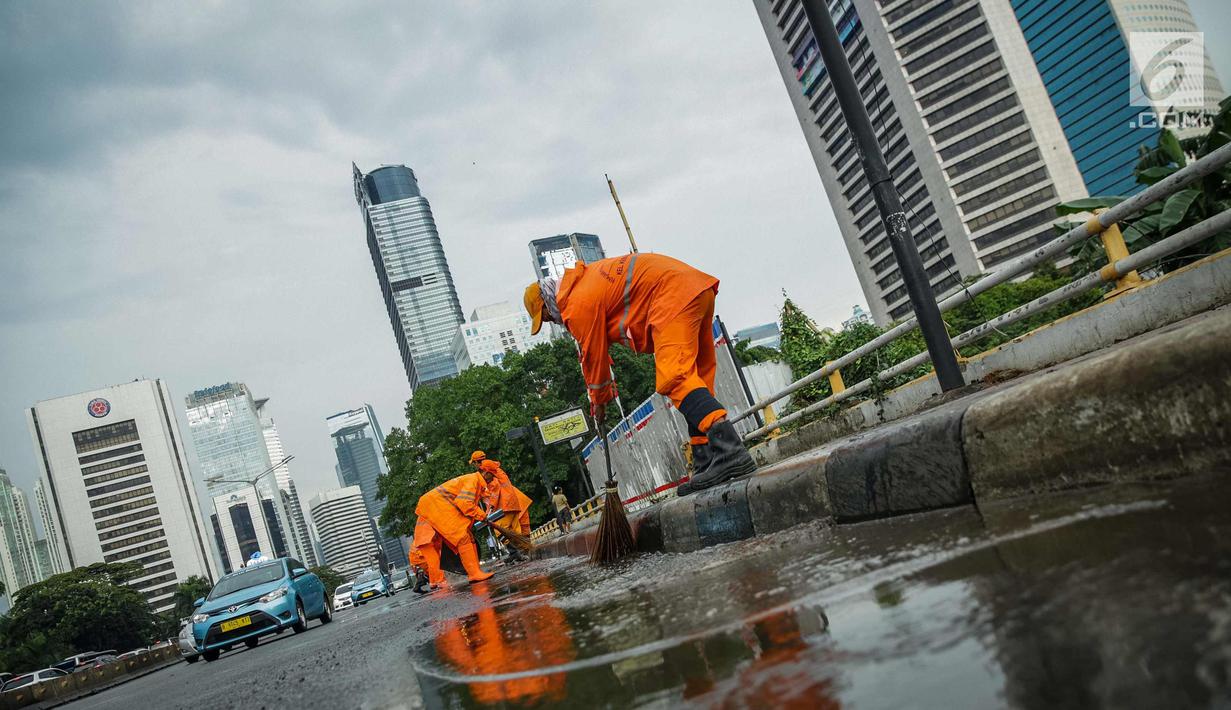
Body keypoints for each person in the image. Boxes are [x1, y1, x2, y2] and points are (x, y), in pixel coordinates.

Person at [523, 253, 755, 495]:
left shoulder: (576, 304)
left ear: (548, 301)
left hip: (672, 296)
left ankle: (730, 450)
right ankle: (706, 460)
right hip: (695, 289)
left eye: (547, 316)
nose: (552, 320)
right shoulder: (585, 283)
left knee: (676, 378)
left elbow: (594, 358)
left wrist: (599, 403)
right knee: (697, 379)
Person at [413, 468, 497, 584]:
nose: (494, 479)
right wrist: (482, 515)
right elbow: (465, 504)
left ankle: (475, 572)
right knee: (463, 538)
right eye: (493, 475)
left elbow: (468, 503)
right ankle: (473, 574)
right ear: (486, 473)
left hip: (436, 506)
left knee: (466, 537)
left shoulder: (474, 481)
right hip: (436, 506)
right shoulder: (473, 481)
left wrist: (483, 512)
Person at [477, 459, 532, 562]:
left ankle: (515, 552)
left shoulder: (494, 481)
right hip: (514, 506)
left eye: (484, 473)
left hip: (506, 507)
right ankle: (523, 550)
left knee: (499, 531)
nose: (483, 476)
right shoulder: (501, 474)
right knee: (515, 530)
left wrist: (487, 513)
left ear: (489, 471)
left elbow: (494, 497)